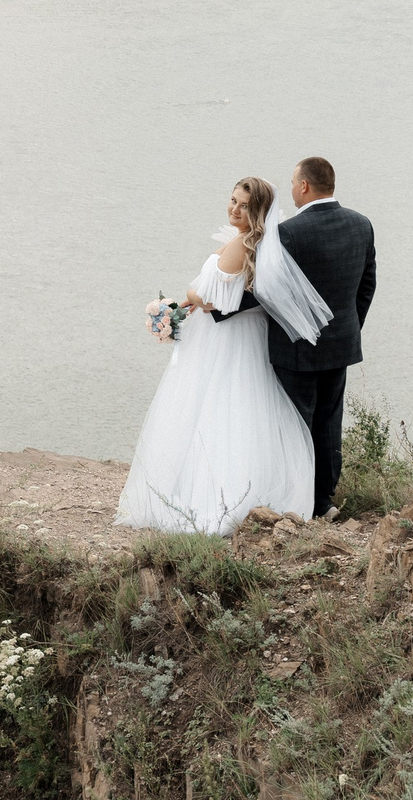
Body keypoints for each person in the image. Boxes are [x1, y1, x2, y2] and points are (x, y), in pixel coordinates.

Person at [113, 176, 319, 534]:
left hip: (226, 342)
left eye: (243, 205)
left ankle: (211, 499)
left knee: (218, 409)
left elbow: (213, 300)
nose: (235, 209)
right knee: (227, 407)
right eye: (233, 201)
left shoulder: (243, 243)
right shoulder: (253, 242)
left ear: (257, 212)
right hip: (232, 337)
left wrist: (186, 296)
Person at [218, 156, 377, 519]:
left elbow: (265, 290)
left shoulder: (288, 233)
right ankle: (324, 503)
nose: (290, 190)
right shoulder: (361, 225)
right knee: (328, 422)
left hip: (295, 351)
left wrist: (216, 309)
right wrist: (346, 330)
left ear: (304, 186)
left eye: (293, 184)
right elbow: (367, 285)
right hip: (340, 348)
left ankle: (295, 503)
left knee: (293, 426)